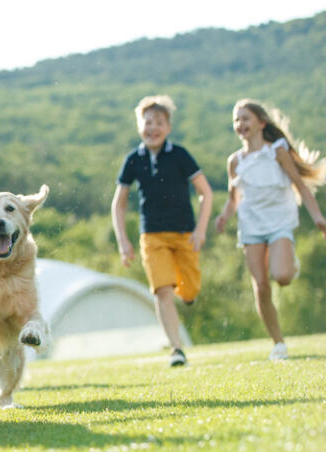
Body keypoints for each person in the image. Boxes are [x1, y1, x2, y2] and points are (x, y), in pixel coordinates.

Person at [214, 99, 326, 360]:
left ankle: (289, 260)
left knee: (282, 276)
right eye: (236, 119)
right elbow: (234, 198)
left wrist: (319, 217)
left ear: (261, 123)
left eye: (245, 118)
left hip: (279, 223)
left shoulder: (277, 151)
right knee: (261, 285)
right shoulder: (235, 161)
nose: (240, 124)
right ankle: (278, 344)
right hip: (251, 226)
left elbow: (300, 185)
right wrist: (224, 215)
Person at [111, 95, 213, 367]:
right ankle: (176, 349)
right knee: (162, 291)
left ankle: (187, 295)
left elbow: (206, 193)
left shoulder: (180, 155)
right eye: (147, 122)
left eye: (158, 122)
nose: (152, 128)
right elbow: (119, 203)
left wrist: (200, 230)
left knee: (189, 291)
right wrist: (123, 241)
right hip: (152, 236)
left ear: (168, 127)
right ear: (139, 126)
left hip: (184, 234)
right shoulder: (133, 159)